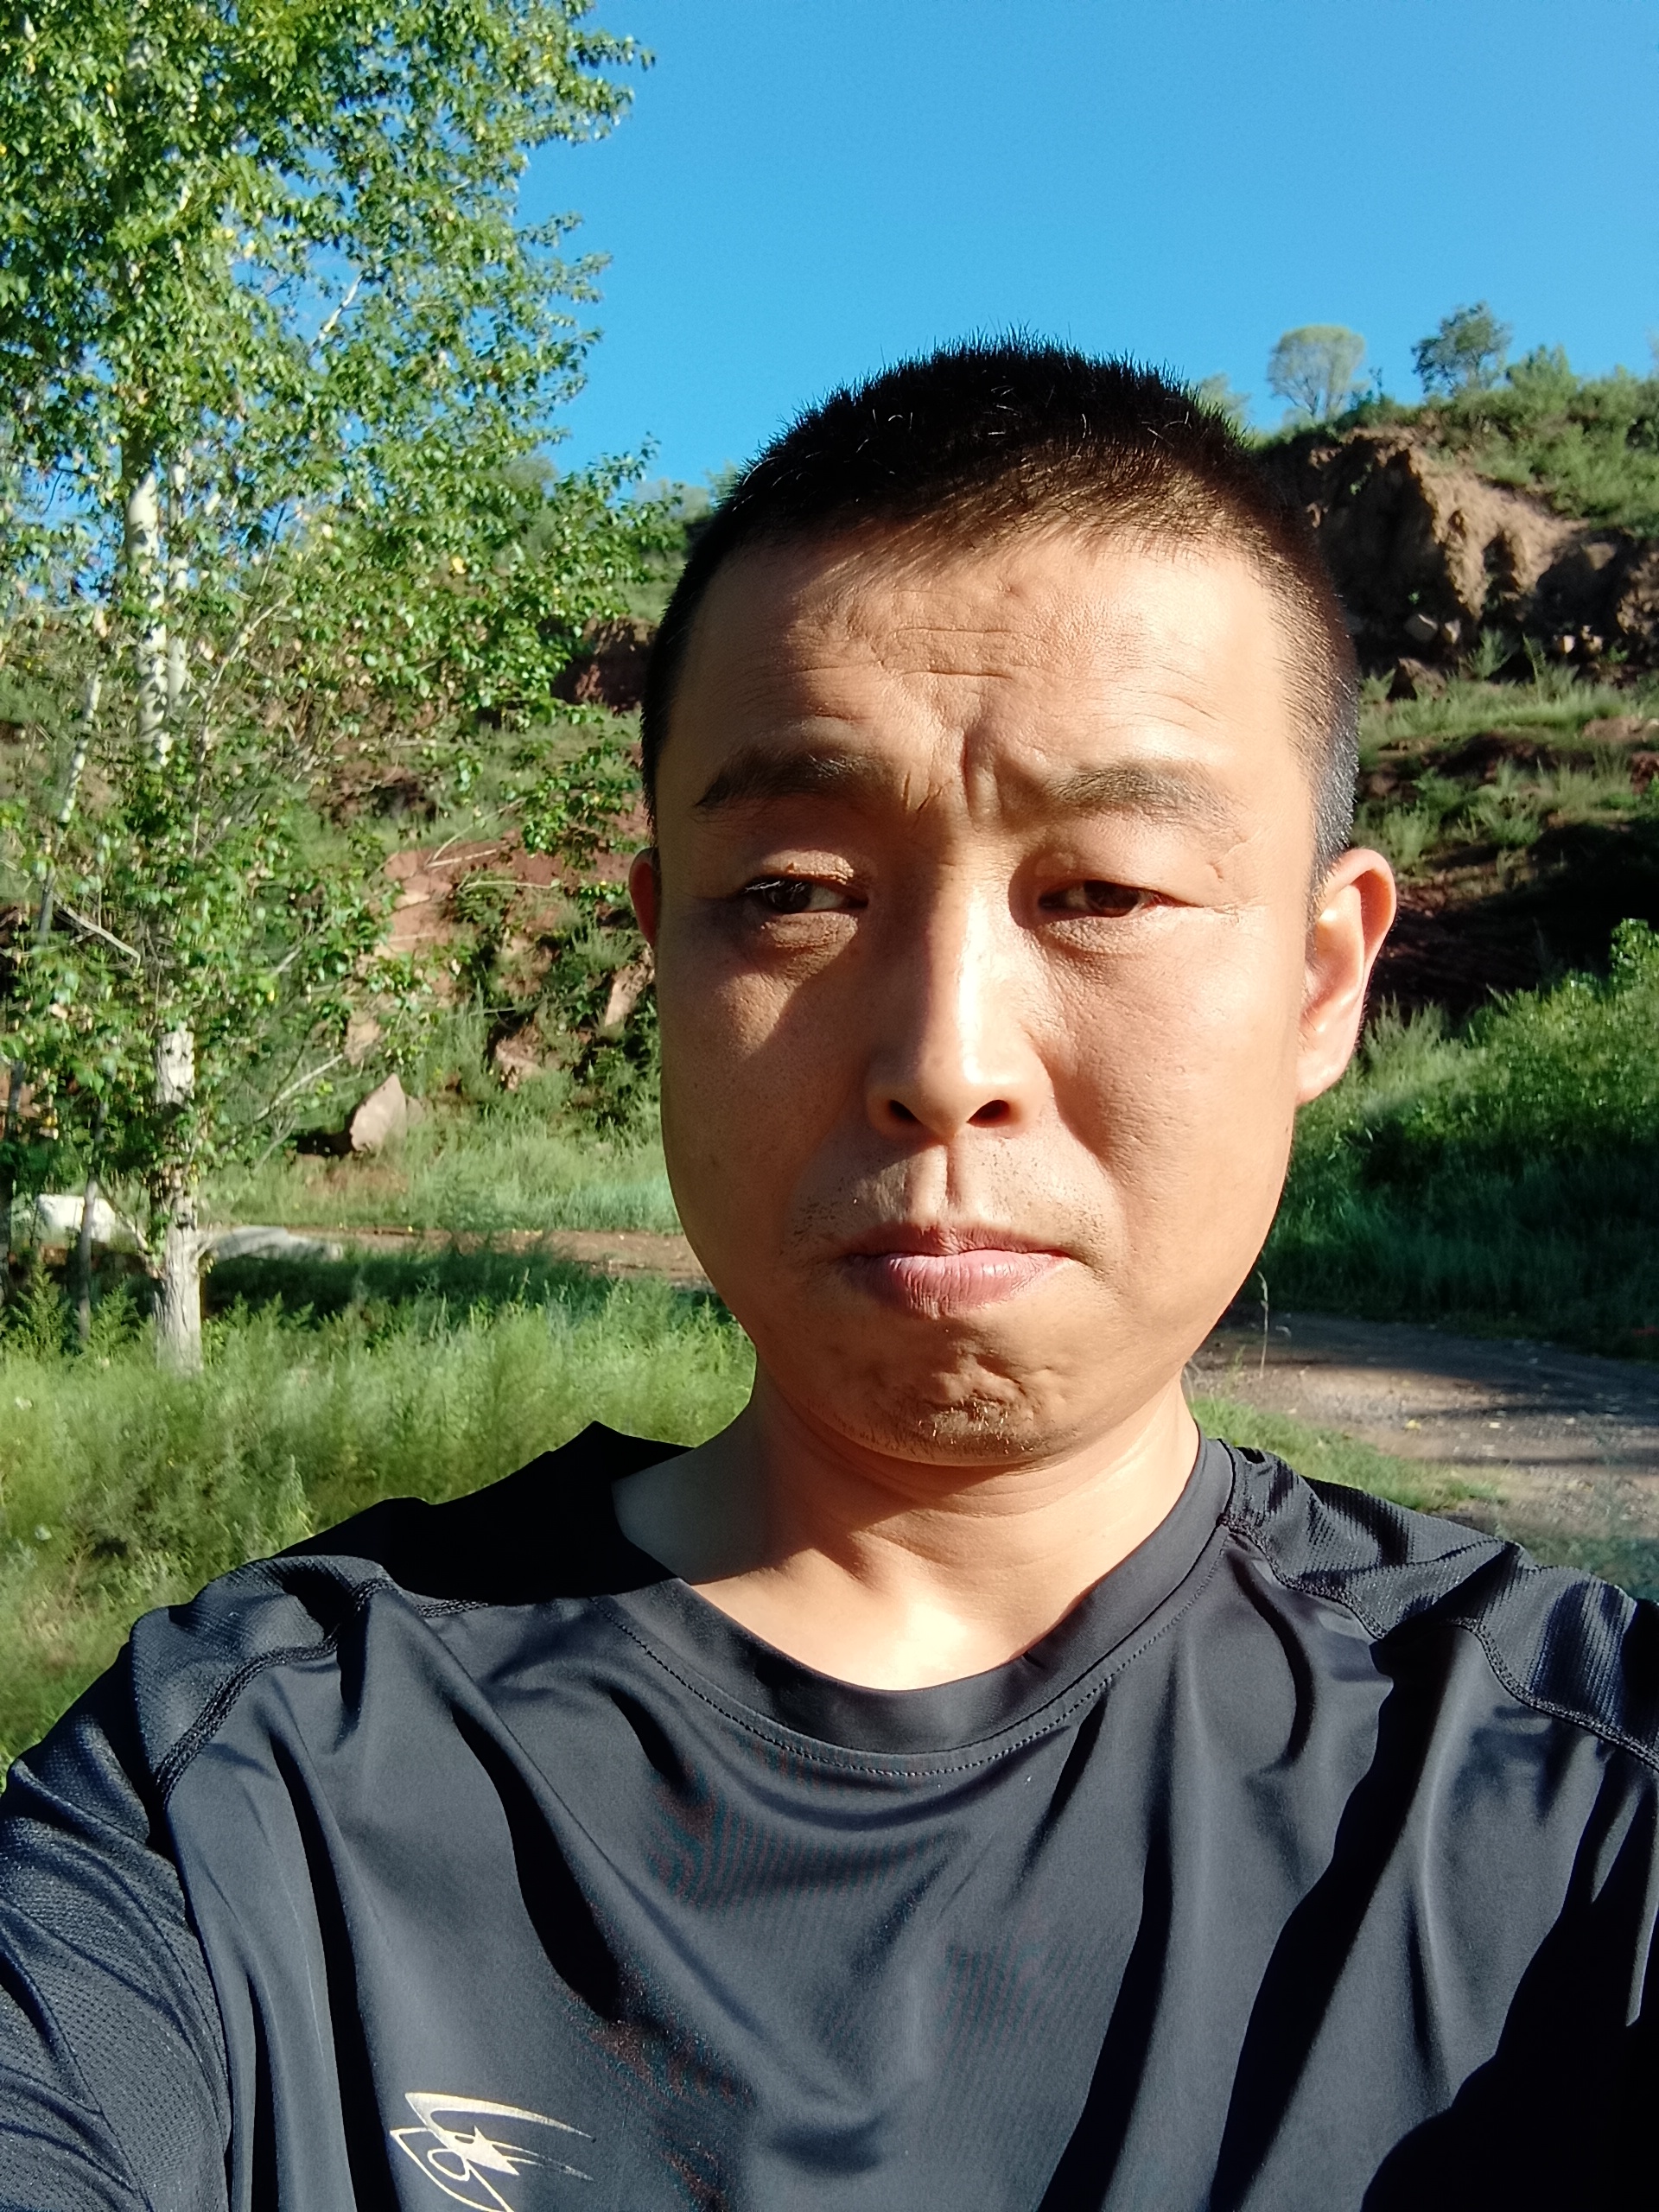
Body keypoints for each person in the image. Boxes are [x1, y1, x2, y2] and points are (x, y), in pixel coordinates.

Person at [0, 342, 1653, 2212]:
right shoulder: (246, 1797)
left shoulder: (1593, 1812)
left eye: (1105, 891)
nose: (946, 1057)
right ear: (664, 956)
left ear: (1321, 979)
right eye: (795, 889)